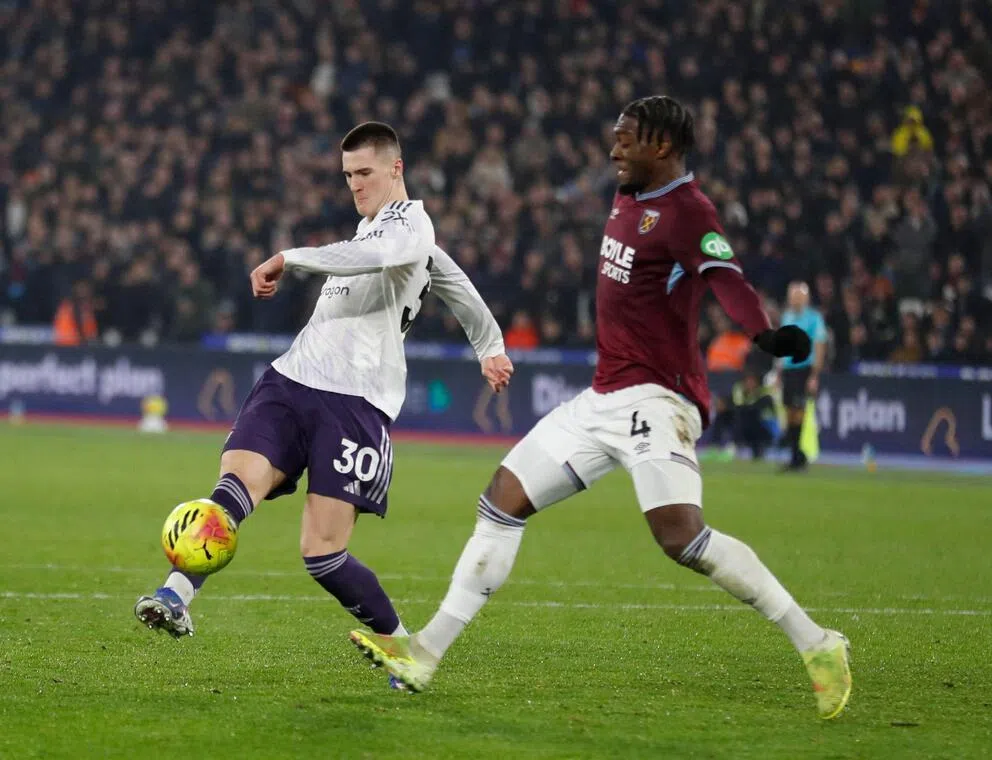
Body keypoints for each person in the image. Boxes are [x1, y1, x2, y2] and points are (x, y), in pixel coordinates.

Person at [350, 97, 853, 720]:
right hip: (602, 397)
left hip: (659, 397)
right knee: (502, 498)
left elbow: (726, 278)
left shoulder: (689, 212)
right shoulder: (628, 196)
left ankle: (818, 643)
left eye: (627, 140)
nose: (614, 150)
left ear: (663, 147)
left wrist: (765, 336)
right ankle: (423, 653)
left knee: (679, 536)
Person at [134, 122, 513, 639]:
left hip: (354, 402)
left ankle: (402, 646)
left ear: (395, 169)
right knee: (235, 484)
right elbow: (453, 283)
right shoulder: (376, 229)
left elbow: (384, 261)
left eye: (365, 173)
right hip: (292, 379)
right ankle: (174, 596)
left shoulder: (410, 226)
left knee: (322, 553)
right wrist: (490, 346)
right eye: (348, 175)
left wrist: (291, 257)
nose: (355, 185)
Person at [776, 282, 828, 471]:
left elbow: (819, 345)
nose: (795, 299)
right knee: (789, 412)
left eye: (798, 296)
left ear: (805, 298)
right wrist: (778, 371)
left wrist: (814, 375)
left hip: (804, 369)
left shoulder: (814, 318)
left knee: (799, 410)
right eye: (792, 296)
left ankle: (797, 455)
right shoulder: (787, 317)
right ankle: (796, 455)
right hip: (789, 370)